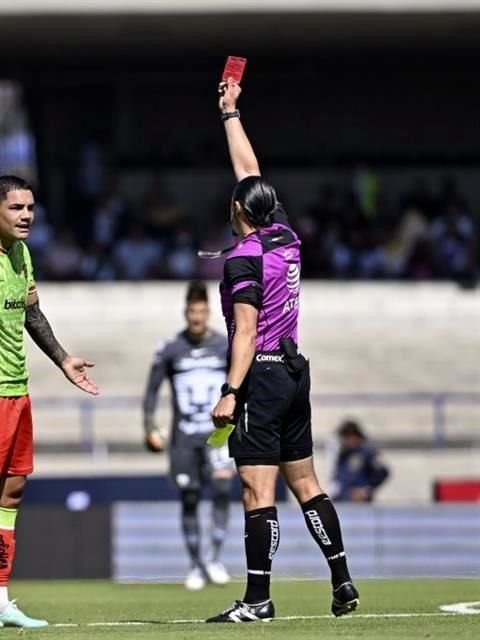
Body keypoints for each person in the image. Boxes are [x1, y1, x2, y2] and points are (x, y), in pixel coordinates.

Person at [205, 80, 359, 623]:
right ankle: (341, 580)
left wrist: (229, 392)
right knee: (308, 485)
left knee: (256, 489)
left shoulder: (242, 258)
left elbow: (244, 333)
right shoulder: (285, 237)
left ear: (237, 210)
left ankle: (257, 600)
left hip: (263, 376)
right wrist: (231, 113)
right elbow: (250, 174)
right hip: (296, 371)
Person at [0, 175, 99, 629]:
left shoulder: (22, 253)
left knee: (11, 491)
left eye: (30, 207)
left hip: (16, 390)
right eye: (16, 208)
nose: (26, 215)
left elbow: (32, 313)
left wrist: (63, 359)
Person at [142, 280, 234, 591]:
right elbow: (151, 391)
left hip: (218, 435)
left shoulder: (224, 346)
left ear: (209, 312)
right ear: (186, 313)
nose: (197, 317)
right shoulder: (170, 349)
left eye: (202, 311)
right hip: (183, 437)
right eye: (192, 311)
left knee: (222, 488)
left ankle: (215, 558)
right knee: (190, 497)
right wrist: (149, 426)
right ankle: (195, 564)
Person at [333, 420, 390, 503]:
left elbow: (383, 472)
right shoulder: (343, 454)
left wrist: (366, 490)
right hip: (343, 500)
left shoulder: (367, 452)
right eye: (345, 437)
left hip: (359, 504)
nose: (346, 441)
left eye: (348, 437)